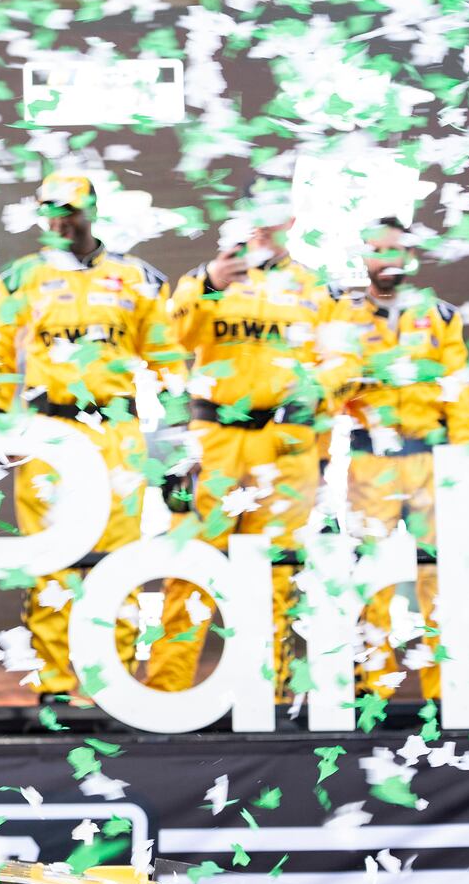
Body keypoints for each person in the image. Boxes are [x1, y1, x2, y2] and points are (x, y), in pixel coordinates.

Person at [0, 173, 187, 703]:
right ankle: (54, 682)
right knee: (50, 556)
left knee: (118, 559)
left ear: (92, 209)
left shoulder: (138, 277)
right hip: (48, 432)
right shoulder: (17, 279)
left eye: (71, 209)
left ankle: (107, 682)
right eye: (51, 209)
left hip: (116, 430)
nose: (61, 219)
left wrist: (183, 430)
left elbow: (166, 359)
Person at [147, 188, 360, 695]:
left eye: (273, 217)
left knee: (276, 573)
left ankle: (270, 694)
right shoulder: (212, 279)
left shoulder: (320, 292)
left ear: (290, 220)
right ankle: (166, 692)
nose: (263, 227)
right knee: (190, 568)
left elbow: (347, 362)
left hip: (286, 444)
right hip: (216, 439)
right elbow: (162, 341)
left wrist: (317, 390)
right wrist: (205, 284)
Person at [336, 218, 469, 699]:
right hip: (369, 462)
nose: (388, 261)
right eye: (379, 251)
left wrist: (460, 460)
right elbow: (329, 382)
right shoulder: (345, 315)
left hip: (431, 461)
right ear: (364, 257)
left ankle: (446, 692)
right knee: (366, 574)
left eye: (397, 251)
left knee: (439, 577)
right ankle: (372, 690)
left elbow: (459, 390)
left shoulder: (439, 315)